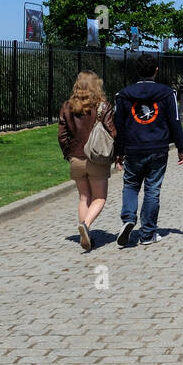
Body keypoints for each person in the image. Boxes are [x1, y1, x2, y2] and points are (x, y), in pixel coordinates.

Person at [112, 54, 183, 248]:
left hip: (133, 147)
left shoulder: (124, 95)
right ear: (156, 71)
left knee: (130, 185)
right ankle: (147, 233)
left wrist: (118, 153)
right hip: (158, 147)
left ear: (137, 71)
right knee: (152, 189)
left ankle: (128, 218)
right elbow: (174, 121)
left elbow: (118, 126)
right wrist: (181, 147)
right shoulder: (166, 93)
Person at [58, 71, 117, 252]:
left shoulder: (67, 107)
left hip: (76, 158)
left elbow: (62, 136)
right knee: (99, 198)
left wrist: (69, 154)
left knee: (84, 197)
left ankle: (86, 233)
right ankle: (86, 224)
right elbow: (112, 132)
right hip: (96, 158)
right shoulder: (102, 106)